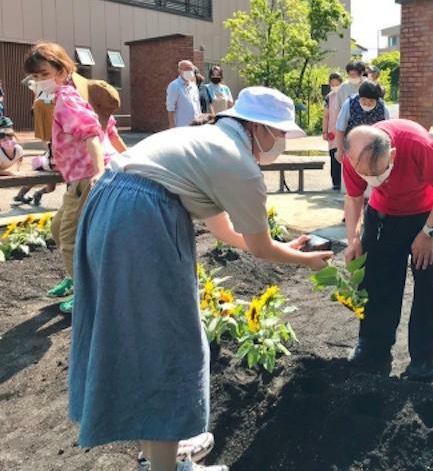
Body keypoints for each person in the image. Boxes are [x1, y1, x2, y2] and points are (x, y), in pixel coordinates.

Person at [69, 87, 333, 471]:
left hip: (109, 208)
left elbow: (225, 231)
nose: (279, 142)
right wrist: (306, 262)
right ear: (259, 127)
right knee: (170, 345)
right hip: (142, 220)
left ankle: (157, 456)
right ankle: (166, 466)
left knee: (138, 337)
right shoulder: (239, 165)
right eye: (278, 133)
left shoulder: (203, 138)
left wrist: (283, 247)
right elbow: (260, 249)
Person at [342, 120, 433, 381]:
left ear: (392, 155)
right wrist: (353, 239)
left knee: (426, 283)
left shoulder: (418, 144)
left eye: (379, 174)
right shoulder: (354, 152)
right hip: (382, 217)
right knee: (377, 281)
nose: (375, 182)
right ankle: (374, 350)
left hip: (425, 215)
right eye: (367, 176)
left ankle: (424, 356)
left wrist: (428, 232)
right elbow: (354, 197)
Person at [23, 43, 111, 315]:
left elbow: (91, 134)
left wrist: (97, 171)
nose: (39, 81)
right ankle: (75, 278)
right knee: (58, 227)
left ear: (61, 71)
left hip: (86, 176)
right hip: (76, 178)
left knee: (70, 235)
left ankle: (84, 293)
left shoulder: (68, 99)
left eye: (44, 74)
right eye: (35, 77)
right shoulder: (60, 99)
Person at [334, 80, 391, 157]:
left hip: (375, 150)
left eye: (371, 101)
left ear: (377, 100)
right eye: (364, 100)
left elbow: (388, 131)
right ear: (359, 97)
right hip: (352, 147)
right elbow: (340, 128)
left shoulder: (383, 107)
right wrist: (340, 150)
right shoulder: (349, 104)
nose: (367, 103)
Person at [330, 62, 365, 162]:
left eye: (354, 75)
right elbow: (338, 109)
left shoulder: (368, 86)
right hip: (348, 128)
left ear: (361, 73)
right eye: (350, 75)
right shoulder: (343, 87)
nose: (352, 77)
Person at [322, 71, 343, 190]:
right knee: (333, 156)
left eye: (337, 83)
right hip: (332, 132)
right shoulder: (329, 97)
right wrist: (324, 131)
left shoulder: (346, 95)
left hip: (344, 132)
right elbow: (325, 116)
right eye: (332, 84)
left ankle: (344, 182)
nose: (335, 86)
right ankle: (336, 182)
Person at [166, 60, 202, 128]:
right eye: (186, 68)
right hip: (181, 126)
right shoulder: (174, 86)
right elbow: (170, 108)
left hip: (195, 125)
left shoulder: (194, 86)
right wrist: (172, 126)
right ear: (179, 70)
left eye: (190, 69)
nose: (189, 71)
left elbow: (197, 105)